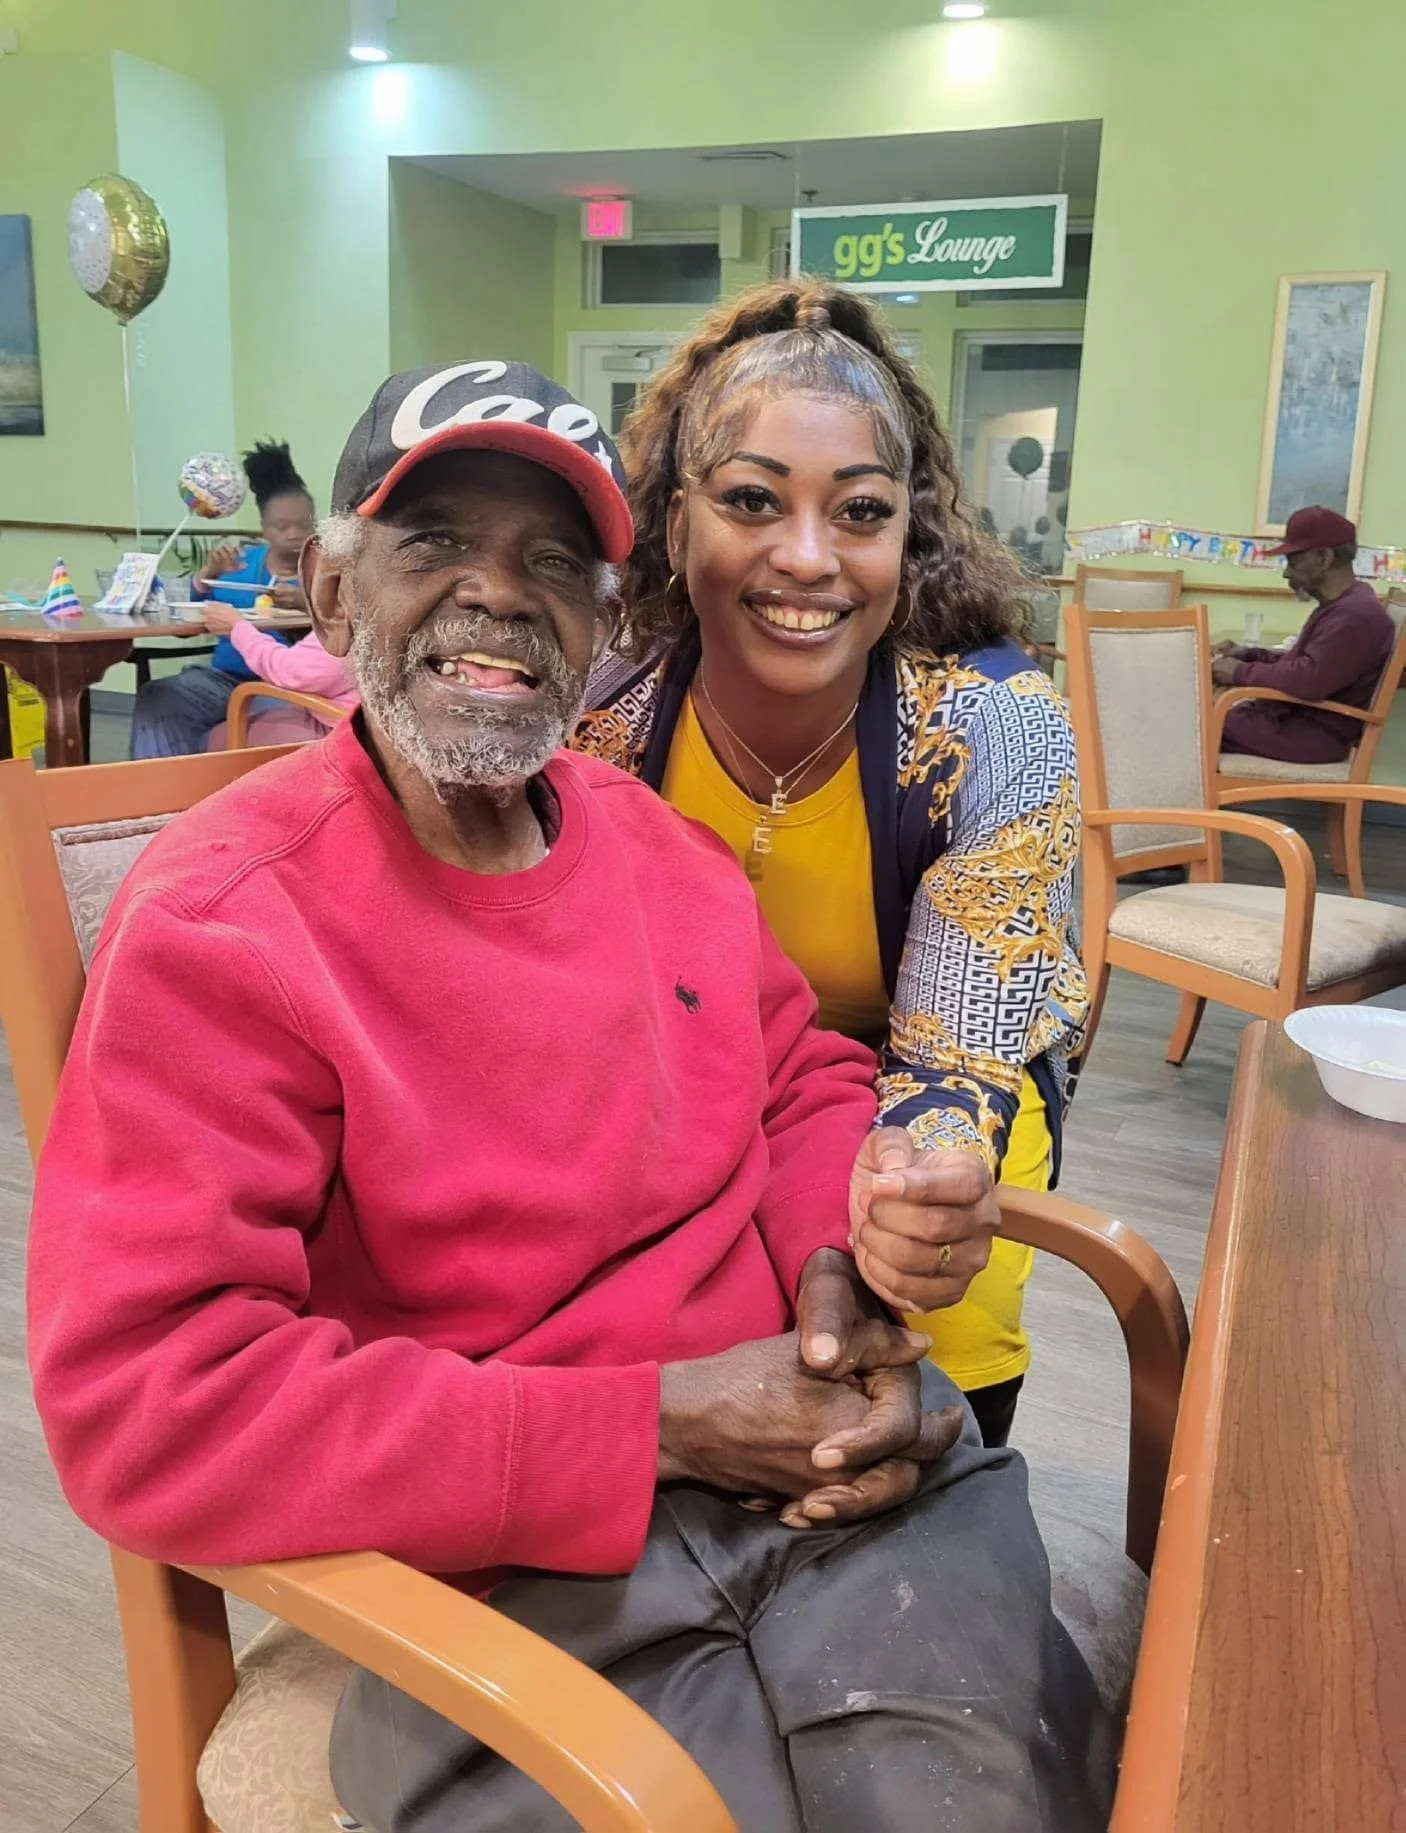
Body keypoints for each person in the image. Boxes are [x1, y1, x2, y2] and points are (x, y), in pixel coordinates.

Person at [28, 360, 1113, 1833]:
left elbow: (799, 1071)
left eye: (551, 561)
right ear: (334, 600)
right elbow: (149, 1405)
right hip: (501, 1575)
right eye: (435, 545)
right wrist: (657, 1424)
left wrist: (825, 1270)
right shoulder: (226, 925)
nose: (496, 594)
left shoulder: (648, 843)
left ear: (602, 625)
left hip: (812, 1477)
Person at [574, 282, 1088, 1449]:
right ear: (673, 523)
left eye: (858, 512)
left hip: (939, 1087)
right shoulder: (603, 721)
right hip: (697, 1089)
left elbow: (953, 1065)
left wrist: (912, 1201)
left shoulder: (989, 729)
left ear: (910, 535)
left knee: (925, 1352)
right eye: (751, 500)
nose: (806, 558)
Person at [130, 439, 316, 758]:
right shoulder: (240, 563)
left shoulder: (325, 570)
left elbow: (346, 622)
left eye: (303, 524)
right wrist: (208, 574)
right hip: (222, 680)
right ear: (263, 528)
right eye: (281, 526)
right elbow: (191, 613)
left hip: (283, 685)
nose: (293, 534)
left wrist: (303, 602)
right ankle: (157, 799)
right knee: (158, 698)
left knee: (275, 721)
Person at [1213, 505, 1395, 762]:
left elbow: (1307, 680)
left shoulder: (1355, 616)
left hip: (1310, 736)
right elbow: (1307, 665)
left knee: (1189, 727)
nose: (1287, 572)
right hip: (1297, 725)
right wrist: (1250, 654)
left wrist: (1238, 671)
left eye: (1293, 561)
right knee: (1194, 717)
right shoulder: (1345, 606)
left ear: (1324, 558)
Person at [198, 605, 359, 747]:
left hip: (341, 730)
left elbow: (294, 673)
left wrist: (237, 628)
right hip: (354, 717)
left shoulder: (354, 615)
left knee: (213, 738)